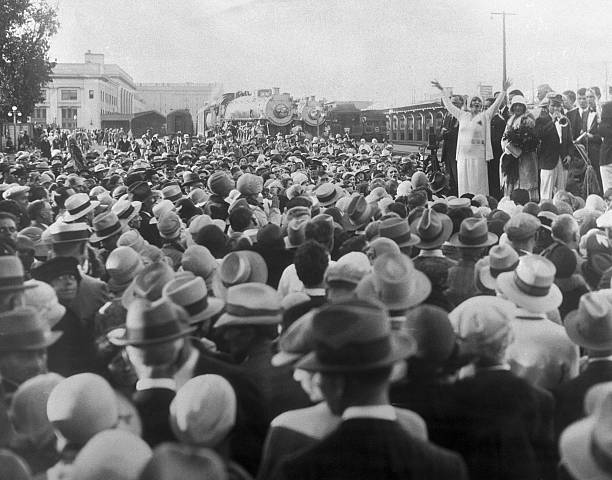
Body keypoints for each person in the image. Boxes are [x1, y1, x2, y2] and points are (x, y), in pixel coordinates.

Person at [272, 299, 468, 480]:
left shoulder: (298, 470)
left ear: (337, 385)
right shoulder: (447, 468)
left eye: (322, 376)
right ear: (391, 369)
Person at [432, 78, 511, 196]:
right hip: (463, 157)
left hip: (479, 156)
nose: (476, 103)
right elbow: (449, 106)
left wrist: (504, 91)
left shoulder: (485, 116)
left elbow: (495, 106)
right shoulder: (462, 115)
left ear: (481, 104)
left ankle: (479, 204)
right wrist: (442, 90)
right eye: (474, 101)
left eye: (478, 101)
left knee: (478, 184)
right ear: (469, 103)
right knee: (464, 184)